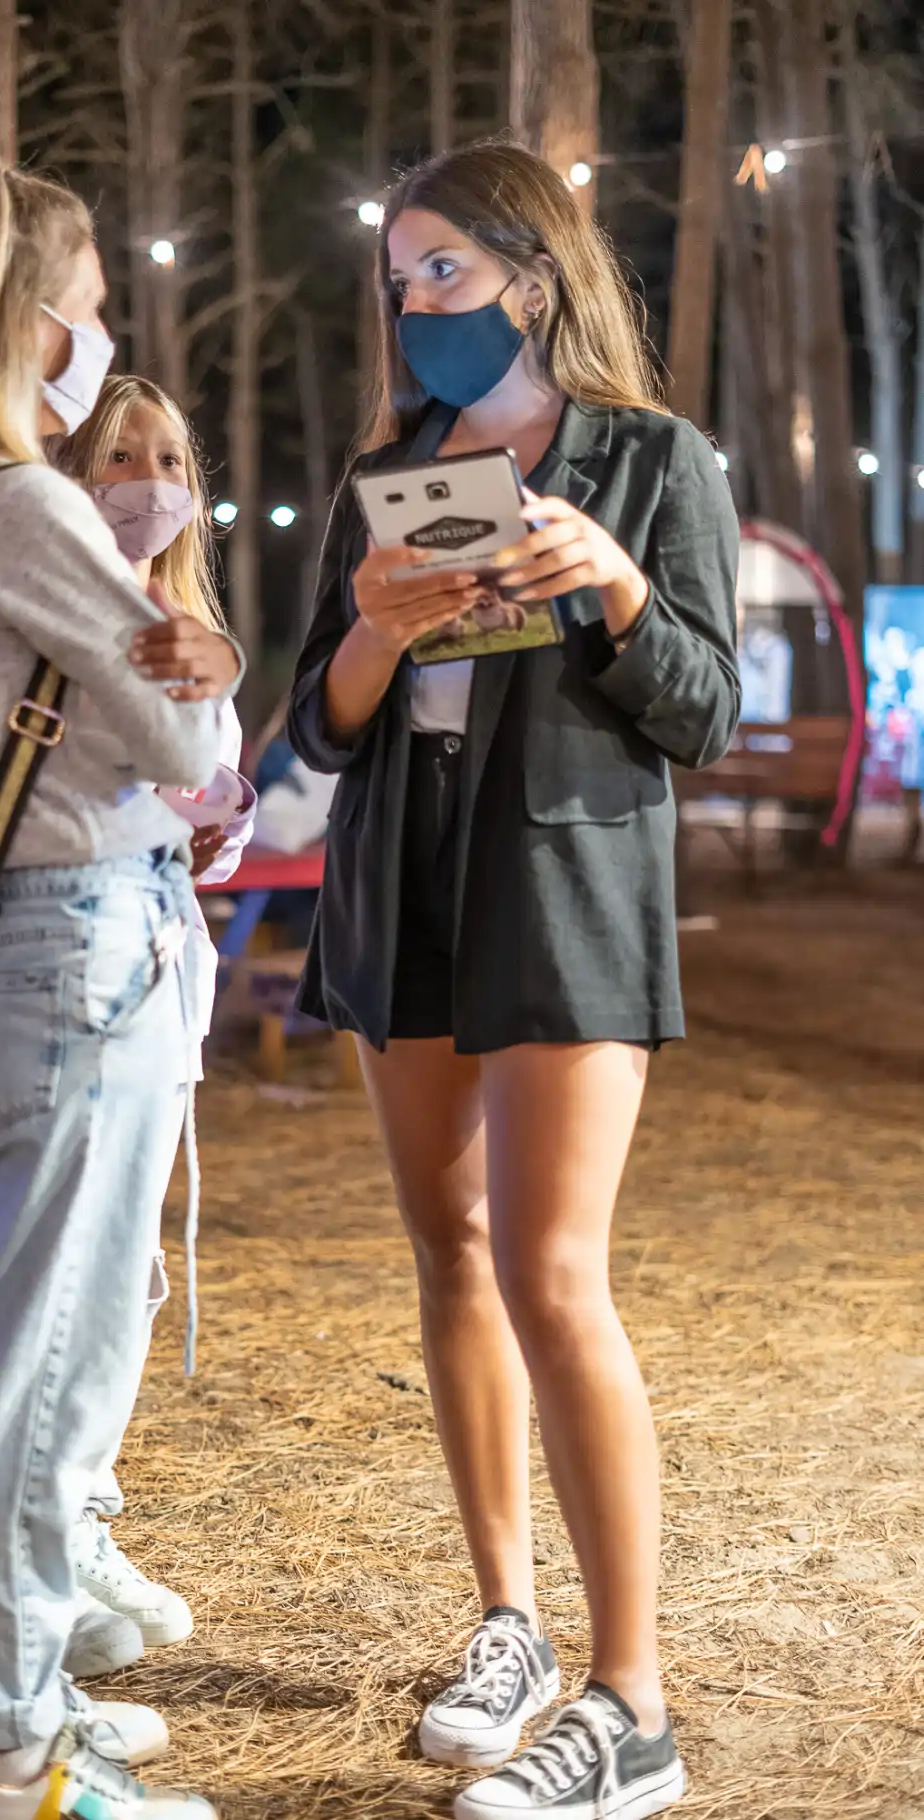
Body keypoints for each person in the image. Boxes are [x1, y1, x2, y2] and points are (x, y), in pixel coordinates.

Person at [288, 138, 739, 1820]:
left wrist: (616, 591)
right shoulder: (389, 470)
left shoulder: (649, 460)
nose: (413, 310)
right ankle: (509, 1624)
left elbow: (705, 708)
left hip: (563, 895)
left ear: (529, 281)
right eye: (398, 283)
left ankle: (635, 1700)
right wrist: (376, 630)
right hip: (403, 893)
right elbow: (312, 732)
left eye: (441, 277)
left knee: (556, 1271)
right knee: (452, 1249)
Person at [0, 155, 242, 1820]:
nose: (97, 340)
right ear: (30, 321)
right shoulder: (21, 502)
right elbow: (182, 743)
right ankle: (17, 1749)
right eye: (84, 309)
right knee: (46, 1364)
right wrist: (209, 676)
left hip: (13, 955)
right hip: (85, 941)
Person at [52, 372, 255, 1620]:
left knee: (126, 1269)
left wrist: (216, 822)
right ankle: (40, 1530)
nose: (150, 482)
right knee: (67, 1264)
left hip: (164, 961)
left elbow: (209, 821)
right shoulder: (59, 599)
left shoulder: (194, 626)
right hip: (76, 964)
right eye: (120, 457)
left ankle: (79, 1506)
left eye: (170, 458)